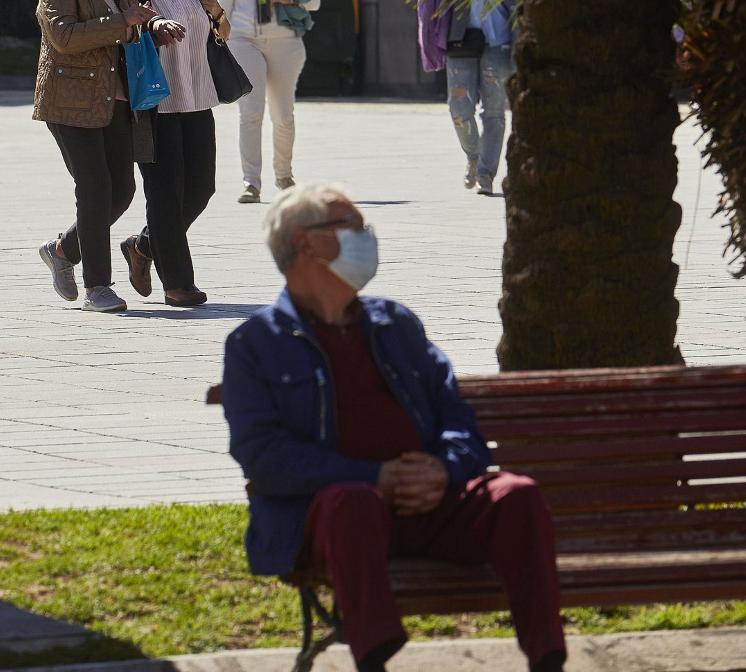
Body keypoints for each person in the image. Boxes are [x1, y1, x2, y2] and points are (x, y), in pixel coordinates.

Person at [221, 183, 566, 672]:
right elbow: (264, 456)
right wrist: (373, 478)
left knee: (516, 494)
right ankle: (375, 660)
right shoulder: (254, 343)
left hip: (433, 505)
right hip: (336, 521)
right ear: (305, 243)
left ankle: (548, 660)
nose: (368, 238)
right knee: (352, 503)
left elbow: (458, 420)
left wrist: (441, 471)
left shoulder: (396, 323)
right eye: (354, 227)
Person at [33, 0, 162, 314]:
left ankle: (62, 249)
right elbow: (64, 36)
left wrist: (148, 24)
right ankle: (98, 287)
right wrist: (121, 21)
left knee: (122, 190)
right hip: (70, 102)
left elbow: (126, 27)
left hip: (116, 101)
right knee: (94, 189)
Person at [119, 0, 230, 309]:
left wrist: (216, 9)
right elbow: (127, 26)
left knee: (201, 188)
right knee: (165, 194)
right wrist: (153, 25)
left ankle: (143, 245)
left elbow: (223, 30)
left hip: (198, 95)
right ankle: (178, 284)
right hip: (155, 100)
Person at [216, 0, 321, 203]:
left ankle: (284, 173)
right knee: (251, 112)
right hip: (244, 39)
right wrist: (218, 39)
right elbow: (223, 5)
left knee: (283, 115)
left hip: (285, 40)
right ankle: (251, 182)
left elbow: (314, 0)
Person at [418, 0, 517, 194]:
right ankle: (474, 155)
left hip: (498, 43)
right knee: (459, 109)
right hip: (461, 41)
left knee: (494, 112)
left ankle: (485, 174)